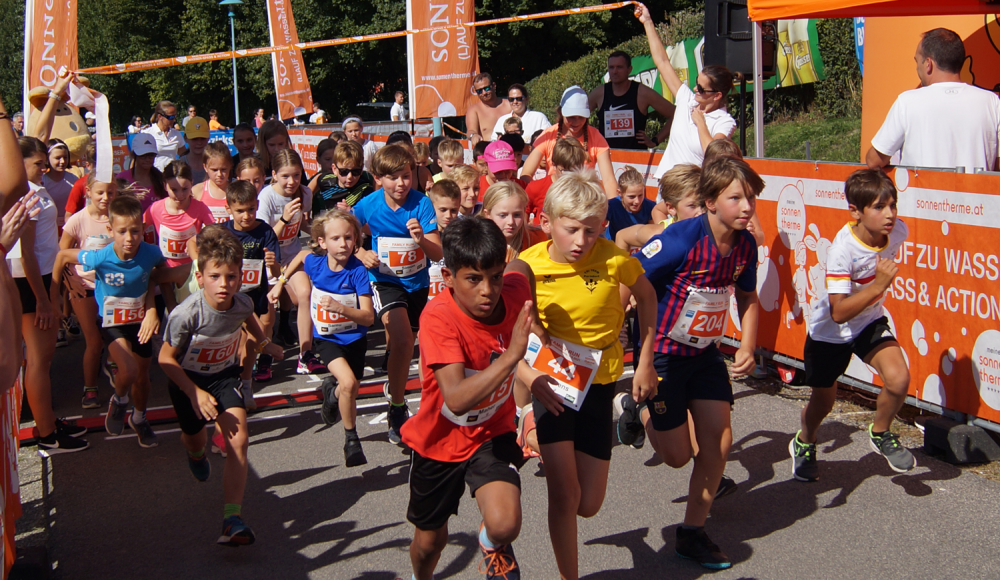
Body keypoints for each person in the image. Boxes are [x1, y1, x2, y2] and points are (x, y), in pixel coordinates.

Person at [616, 156, 763, 570]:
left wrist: (748, 345)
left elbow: (749, 299)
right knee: (677, 456)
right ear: (711, 201)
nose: (747, 206)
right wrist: (629, 351)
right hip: (663, 354)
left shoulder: (746, 244)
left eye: (750, 197)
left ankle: (692, 533)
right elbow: (630, 282)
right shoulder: (679, 240)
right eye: (737, 197)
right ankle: (637, 408)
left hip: (705, 356)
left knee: (718, 442)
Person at [509, 169, 657, 580]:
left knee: (588, 503)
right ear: (546, 223)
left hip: (600, 380)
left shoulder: (613, 258)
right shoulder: (526, 266)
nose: (580, 242)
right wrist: (527, 376)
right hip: (551, 383)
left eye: (591, 232)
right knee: (564, 493)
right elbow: (502, 336)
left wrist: (644, 361)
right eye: (571, 230)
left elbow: (647, 297)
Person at [401, 217, 535, 580]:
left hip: (492, 432)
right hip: (439, 441)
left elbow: (524, 268)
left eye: (495, 276)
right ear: (448, 278)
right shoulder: (438, 319)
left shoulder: (515, 289)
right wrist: (512, 355)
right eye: (473, 279)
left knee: (505, 524)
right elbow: (457, 398)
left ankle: (492, 543)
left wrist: (533, 316)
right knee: (430, 543)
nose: (487, 290)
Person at [158, 225, 284, 547]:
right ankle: (197, 453)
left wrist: (266, 343)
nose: (223, 285)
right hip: (188, 381)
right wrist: (193, 392)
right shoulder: (185, 314)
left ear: (240, 277)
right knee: (193, 438)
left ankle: (232, 518)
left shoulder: (241, 303)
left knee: (239, 439)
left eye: (230, 277)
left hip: (223, 375)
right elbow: (166, 360)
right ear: (200, 278)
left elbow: (251, 323)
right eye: (215, 276)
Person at [790, 169, 915, 482]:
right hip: (829, 333)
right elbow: (838, 312)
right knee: (824, 402)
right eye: (879, 207)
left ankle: (881, 432)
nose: (889, 215)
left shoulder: (898, 231)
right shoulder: (841, 251)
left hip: (869, 323)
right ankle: (805, 440)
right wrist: (877, 286)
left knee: (899, 379)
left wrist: (875, 294)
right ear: (855, 212)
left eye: (893, 205)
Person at [52, 194, 163, 448]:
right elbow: (61, 258)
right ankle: (120, 401)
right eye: (122, 231)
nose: (129, 238)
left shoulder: (151, 253)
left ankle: (139, 418)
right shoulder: (99, 257)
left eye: (135, 231)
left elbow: (156, 276)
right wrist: (53, 299)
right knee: (129, 370)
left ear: (144, 229)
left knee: (143, 378)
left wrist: (153, 310)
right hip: (112, 323)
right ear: (110, 230)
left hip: (140, 322)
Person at [352, 144, 442, 444]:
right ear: (378, 178)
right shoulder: (367, 205)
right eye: (393, 178)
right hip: (384, 280)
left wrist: (420, 240)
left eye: (406, 176)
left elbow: (437, 251)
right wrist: (361, 252)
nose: (401, 184)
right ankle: (398, 407)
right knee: (404, 339)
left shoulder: (422, 204)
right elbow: (346, 233)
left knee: (406, 342)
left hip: (417, 282)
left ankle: (394, 379)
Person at [269, 211, 374, 465]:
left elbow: (369, 318)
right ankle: (352, 440)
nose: (343, 244)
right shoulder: (315, 262)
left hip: (354, 340)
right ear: (322, 241)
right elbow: (300, 257)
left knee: (350, 386)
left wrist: (342, 309)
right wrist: (280, 283)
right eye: (336, 238)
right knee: (348, 383)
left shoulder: (357, 272)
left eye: (348, 237)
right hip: (327, 339)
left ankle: (331, 394)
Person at [14, 137, 89, 453]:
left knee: (39, 359)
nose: (43, 167)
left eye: (45, 161)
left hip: (41, 279)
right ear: (19, 163)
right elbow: (26, 253)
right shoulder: (26, 194)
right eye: (37, 163)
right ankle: (45, 432)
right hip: (32, 282)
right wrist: (43, 299)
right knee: (39, 361)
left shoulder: (34, 187)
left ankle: (48, 420)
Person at [867, 28, 1000, 173]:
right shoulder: (992, 102)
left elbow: (874, 160)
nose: (917, 68)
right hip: (978, 195)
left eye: (917, 61)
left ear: (928, 64)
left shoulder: (907, 102)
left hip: (922, 196)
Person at [635, 4, 736, 179]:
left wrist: (701, 123)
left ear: (718, 95)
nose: (696, 89)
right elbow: (662, 62)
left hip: (692, 189)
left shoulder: (725, 122)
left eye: (702, 89)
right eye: (697, 83)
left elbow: (714, 156)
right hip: (666, 183)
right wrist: (648, 22)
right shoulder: (686, 98)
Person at [58, 174, 116, 409]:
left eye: (110, 192)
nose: (105, 197)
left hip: (113, 286)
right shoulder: (77, 220)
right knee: (93, 341)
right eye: (100, 192)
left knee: (113, 335)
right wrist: (70, 279)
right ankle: (90, 389)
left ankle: (114, 366)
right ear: (88, 192)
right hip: (85, 287)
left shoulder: (117, 216)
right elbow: (62, 253)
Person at [256, 149, 316, 362]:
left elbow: (305, 225)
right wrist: (284, 219)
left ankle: (305, 352)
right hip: (269, 259)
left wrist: (322, 234)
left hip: (291, 255)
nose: (292, 181)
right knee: (268, 314)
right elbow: (263, 237)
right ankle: (264, 359)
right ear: (274, 174)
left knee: (305, 295)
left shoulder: (305, 193)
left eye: (297, 175)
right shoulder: (266, 196)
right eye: (285, 176)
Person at [221, 181, 281, 389]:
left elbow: (276, 273)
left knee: (253, 339)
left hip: (257, 295)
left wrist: (273, 265)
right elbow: (196, 243)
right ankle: (236, 381)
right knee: (236, 345)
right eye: (239, 211)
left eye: (250, 210)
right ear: (228, 208)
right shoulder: (222, 233)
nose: (246, 216)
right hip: (230, 298)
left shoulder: (265, 232)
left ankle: (246, 383)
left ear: (257, 205)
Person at [520, 86, 618, 199]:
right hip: (554, 198)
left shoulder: (596, 136)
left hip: (584, 199)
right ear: (560, 112)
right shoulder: (548, 135)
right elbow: (526, 174)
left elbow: (609, 180)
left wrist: (614, 208)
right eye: (571, 117)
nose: (576, 122)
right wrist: (539, 197)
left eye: (581, 117)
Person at [143, 160, 215, 310]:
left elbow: (215, 233)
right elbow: (138, 230)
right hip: (165, 275)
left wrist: (197, 240)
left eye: (185, 189)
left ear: (192, 183)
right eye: (174, 189)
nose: (180, 195)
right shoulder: (155, 209)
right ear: (165, 185)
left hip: (190, 274)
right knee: (171, 315)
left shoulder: (200, 207)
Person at [590, 51, 675, 150]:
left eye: (619, 67)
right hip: (606, 156)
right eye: (611, 67)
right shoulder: (599, 93)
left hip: (636, 159)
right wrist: (588, 139)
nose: (615, 71)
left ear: (629, 69)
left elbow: (676, 114)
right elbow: (577, 117)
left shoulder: (643, 93)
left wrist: (655, 141)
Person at [615, 164, 702, 252]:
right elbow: (622, 236)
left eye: (704, 204)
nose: (701, 212)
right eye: (692, 206)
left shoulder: (711, 227)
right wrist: (622, 264)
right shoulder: (660, 235)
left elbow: (657, 210)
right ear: (671, 208)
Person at [481, 181, 546, 263]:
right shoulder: (477, 243)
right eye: (502, 215)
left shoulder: (538, 240)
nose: (511, 222)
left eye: (517, 215)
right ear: (488, 214)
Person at [524, 137, 587, 222]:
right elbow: (523, 212)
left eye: (575, 171)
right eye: (564, 171)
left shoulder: (586, 190)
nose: (569, 176)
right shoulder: (536, 187)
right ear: (553, 164)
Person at [312, 140, 374, 213]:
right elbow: (306, 192)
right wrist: (305, 209)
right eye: (344, 172)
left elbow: (372, 221)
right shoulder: (326, 180)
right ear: (334, 169)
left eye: (355, 171)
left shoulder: (366, 189)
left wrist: (351, 213)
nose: (350, 176)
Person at [117, 133, 167, 213]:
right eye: (143, 155)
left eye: (151, 155)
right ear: (134, 155)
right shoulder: (121, 178)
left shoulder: (162, 179)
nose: (147, 159)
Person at [605, 166, 654, 242]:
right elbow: (598, 230)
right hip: (614, 246)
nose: (637, 201)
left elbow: (653, 233)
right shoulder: (611, 206)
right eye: (632, 197)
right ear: (620, 193)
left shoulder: (650, 207)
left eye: (640, 195)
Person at [466, 73, 512, 147]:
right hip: (487, 152)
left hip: (511, 150)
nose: (484, 93)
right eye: (479, 91)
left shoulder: (509, 105)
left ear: (494, 86)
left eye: (486, 88)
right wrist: (473, 136)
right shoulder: (474, 109)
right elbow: (471, 130)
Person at [194, 142, 235, 224]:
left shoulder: (236, 189)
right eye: (214, 170)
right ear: (205, 167)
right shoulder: (197, 191)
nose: (219, 174)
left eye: (223, 169)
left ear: (230, 166)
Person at [42, 139, 77, 227]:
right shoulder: (43, 182)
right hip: (49, 226)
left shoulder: (73, 179)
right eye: (58, 158)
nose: (62, 161)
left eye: (65, 157)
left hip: (69, 226)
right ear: (47, 158)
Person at [143, 101, 186, 171]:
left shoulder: (176, 134)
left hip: (172, 176)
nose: (174, 120)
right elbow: (136, 159)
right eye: (171, 117)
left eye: (175, 116)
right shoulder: (147, 133)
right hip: (153, 176)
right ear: (160, 116)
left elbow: (184, 156)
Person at [180, 117, 211, 185]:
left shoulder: (214, 162)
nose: (199, 142)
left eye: (202, 138)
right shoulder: (179, 165)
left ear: (208, 138)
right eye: (194, 139)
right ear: (186, 138)